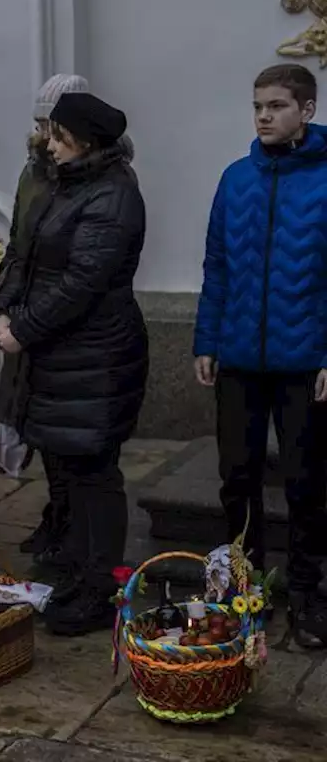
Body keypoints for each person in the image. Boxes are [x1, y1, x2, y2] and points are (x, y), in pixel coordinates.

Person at [0, 92, 147, 636]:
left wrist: (24, 328)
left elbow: (83, 282)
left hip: (95, 357)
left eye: (58, 137)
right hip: (57, 354)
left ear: (85, 141)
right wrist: (2, 310)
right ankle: (78, 570)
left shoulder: (113, 194)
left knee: (94, 472)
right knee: (67, 469)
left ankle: (101, 585)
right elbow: (23, 251)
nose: (48, 144)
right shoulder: (64, 183)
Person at [194, 63, 327, 648]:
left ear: (308, 109)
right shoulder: (235, 178)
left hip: (305, 364)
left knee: (304, 482)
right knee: (237, 476)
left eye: (277, 105)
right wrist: (207, 340)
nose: (264, 116)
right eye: (258, 106)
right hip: (240, 359)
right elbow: (218, 266)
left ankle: (305, 593)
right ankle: (243, 588)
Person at [5, 73, 90, 565]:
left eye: (51, 124)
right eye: (38, 123)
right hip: (31, 315)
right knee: (43, 435)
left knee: (76, 446)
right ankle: (57, 514)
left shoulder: (97, 177)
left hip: (69, 326)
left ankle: (73, 528)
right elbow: (20, 238)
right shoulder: (33, 169)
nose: (42, 135)